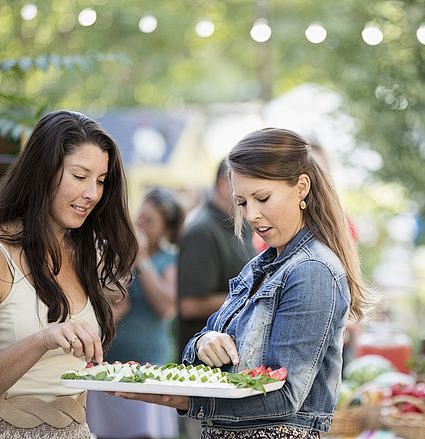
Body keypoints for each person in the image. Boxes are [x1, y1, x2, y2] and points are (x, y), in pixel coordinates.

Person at [113, 127, 372, 438]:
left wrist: (187, 399)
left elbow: (286, 396)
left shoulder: (313, 270)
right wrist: (204, 343)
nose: (252, 214)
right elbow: (211, 346)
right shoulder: (259, 266)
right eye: (243, 202)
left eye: (262, 198)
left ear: (302, 187)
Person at [0, 110, 138, 438]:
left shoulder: (87, 254)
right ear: (43, 173)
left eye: (101, 181)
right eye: (80, 176)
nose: (92, 193)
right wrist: (43, 339)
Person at [87, 188, 184, 439]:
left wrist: (142, 260)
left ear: (165, 230)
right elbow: (107, 298)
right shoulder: (118, 255)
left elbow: (166, 307)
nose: (140, 225)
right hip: (109, 361)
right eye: (140, 217)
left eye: (149, 222)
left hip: (147, 362)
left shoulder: (169, 259)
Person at [176, 160, 255, 438]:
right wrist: (253, 296)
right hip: (202, 373)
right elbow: (188, 305)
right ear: (224, 185)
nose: (252, 202)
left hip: (232, 374)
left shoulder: (242, 225)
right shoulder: (202, 231)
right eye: (243, 192)